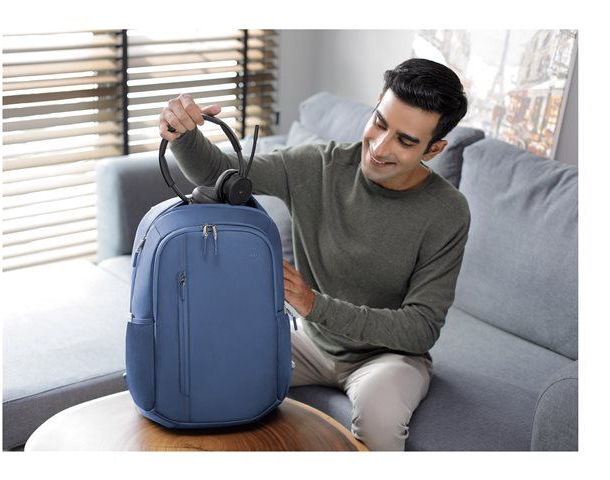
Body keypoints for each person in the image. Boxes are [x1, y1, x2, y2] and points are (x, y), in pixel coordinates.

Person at [158, 58, 470, 451]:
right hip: (310, 341)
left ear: (435, 149)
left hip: (388, 359)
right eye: (380, 122)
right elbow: (219, 173)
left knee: (379, 416)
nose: (380, 147)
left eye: (405, 141)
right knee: (204, 368)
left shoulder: (447, 211)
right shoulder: (319, 166)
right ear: (376, 103)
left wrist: (313, 304)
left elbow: (420, 328)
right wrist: (182, 134)